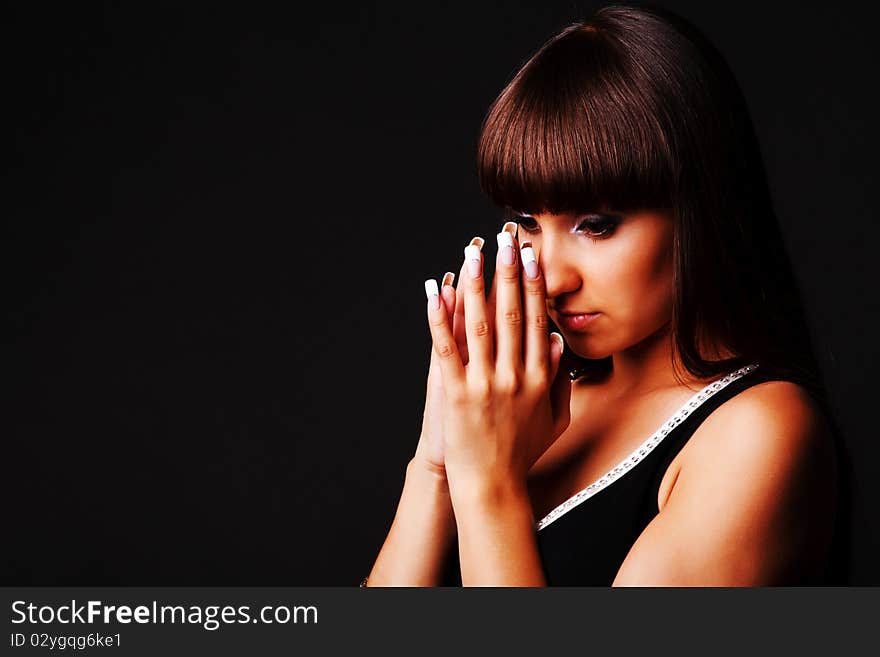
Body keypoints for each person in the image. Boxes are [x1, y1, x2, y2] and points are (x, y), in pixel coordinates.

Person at [362, 3, 851, 586]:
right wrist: (438, 465)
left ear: (702, 210)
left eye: (596, 225)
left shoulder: (758, 435)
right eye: (529, 223)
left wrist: (489, 486)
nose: (555, 276)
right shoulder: (530, 401)